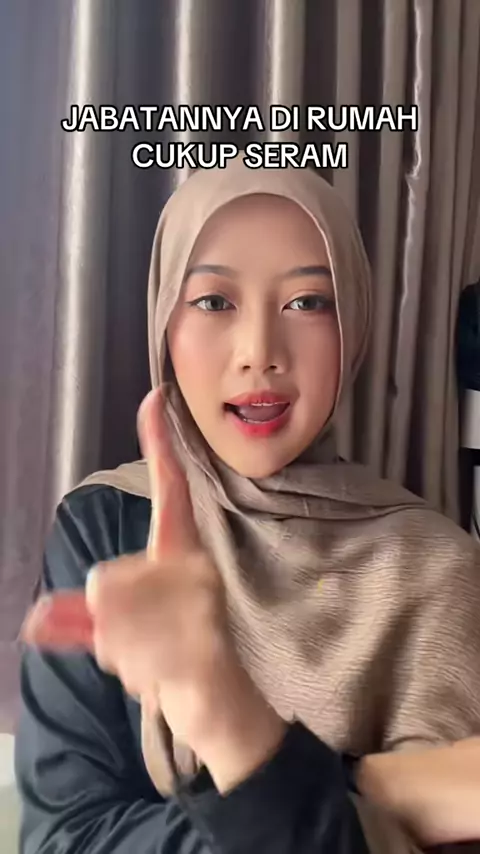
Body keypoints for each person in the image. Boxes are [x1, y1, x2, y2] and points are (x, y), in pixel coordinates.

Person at [15, 156, 480, 854]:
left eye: (307, 302)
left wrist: (231, 728)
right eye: (213, 302)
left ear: (353, 324)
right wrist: (377, 789)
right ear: (165, 323)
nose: (259, 352)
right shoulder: (107, 525)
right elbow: (65, 839)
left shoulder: (441, 569)